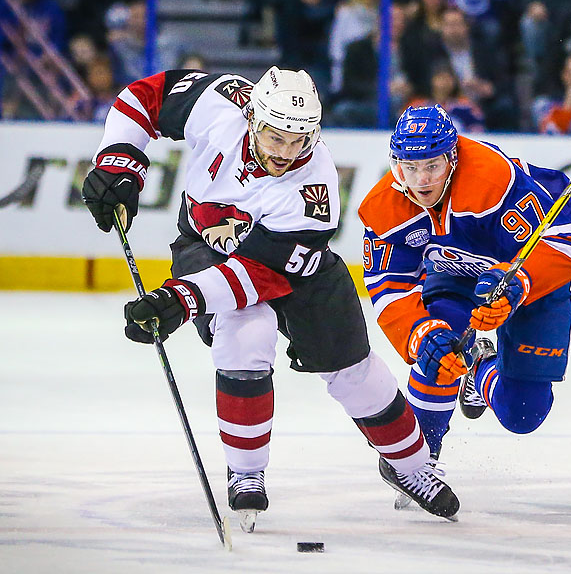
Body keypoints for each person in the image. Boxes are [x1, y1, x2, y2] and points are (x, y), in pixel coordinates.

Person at [80, 67, 460, 529]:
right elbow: (145, 97)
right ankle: (245, 473)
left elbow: (259, 274)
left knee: (352, 371)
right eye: (275, 137)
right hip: (205, 244)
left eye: (298, 141)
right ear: (252, 117)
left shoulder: (314, 193)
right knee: (247, 335)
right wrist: (119, 165)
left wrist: (179, 300)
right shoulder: (220, 102)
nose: (285, 153)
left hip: (292, 267)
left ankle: (412, 467)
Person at [357, 105, 571, 487]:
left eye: (432, 165)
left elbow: (565, 247)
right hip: (454, 278)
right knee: (438, 347)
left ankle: (479, 370)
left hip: (525, 282)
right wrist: (419, 333)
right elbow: (387, 286)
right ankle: (413, 461)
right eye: (410, 167)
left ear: (452, 156)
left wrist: (518, 283)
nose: (421, 179)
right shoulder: (385, 208)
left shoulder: (492, 181)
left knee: (522, 414)